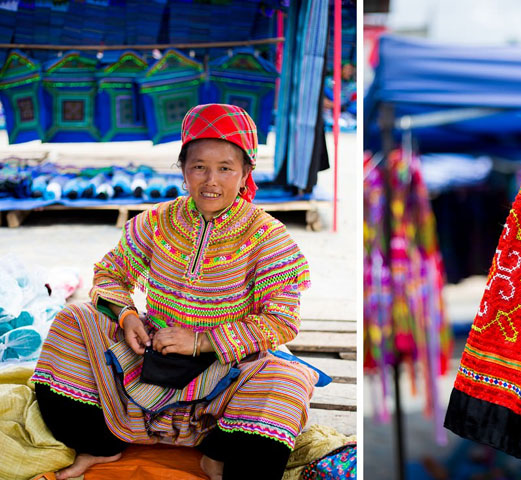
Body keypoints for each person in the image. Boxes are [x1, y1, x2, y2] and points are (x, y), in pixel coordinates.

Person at [30, 104, 318, 480]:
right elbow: (110, 273)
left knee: (287, 379)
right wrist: (128, 316)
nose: (210, 180)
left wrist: (200, 341)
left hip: (226, 373)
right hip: (147, 358)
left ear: (246, 172)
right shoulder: (158, 220)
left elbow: (281, 321)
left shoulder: (268, 236)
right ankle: (101, 444)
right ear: (183, 170)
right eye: (199, 166)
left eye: (225, 168)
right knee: (72, 319)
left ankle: (217, 452)